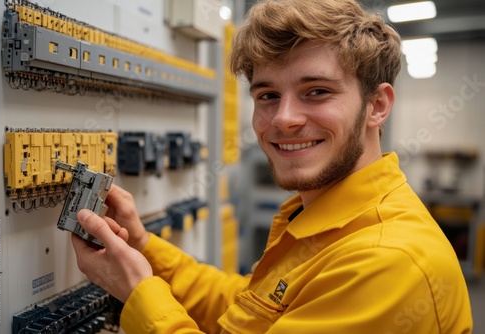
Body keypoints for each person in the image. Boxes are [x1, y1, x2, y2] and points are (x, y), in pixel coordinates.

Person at [71, 0, 473, 332]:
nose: (283, 119)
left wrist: (140, 292)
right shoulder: (325, 218)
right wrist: (142, 246)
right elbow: (248, 309)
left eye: (316, 91)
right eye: (267, 95)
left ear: (378, 106)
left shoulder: (390, 262)